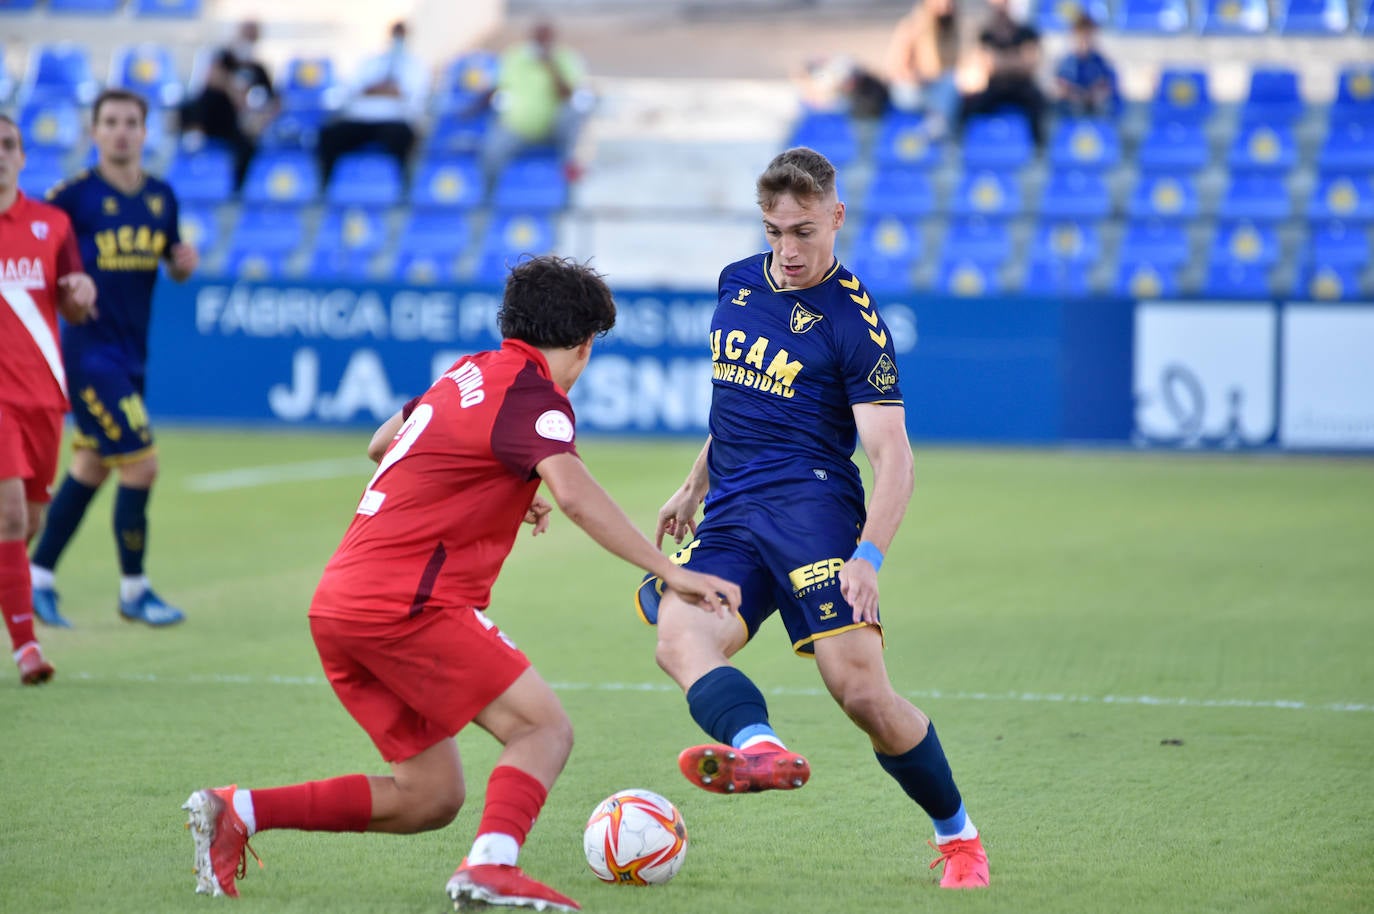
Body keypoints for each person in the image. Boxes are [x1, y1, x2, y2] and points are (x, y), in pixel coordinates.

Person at [181, 255, 742, 911]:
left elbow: (380, 442)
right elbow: (578, 497)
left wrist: (501, 478)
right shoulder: (537, 398)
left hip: (340, 604)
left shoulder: (467, 372)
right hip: (407, 604)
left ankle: (237, 811)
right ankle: (492, 865)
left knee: (430, 794)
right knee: (543, 729)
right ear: (585, 346)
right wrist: (670, 569)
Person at [633, 147, 990, 889]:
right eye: (774, 232)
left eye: (803, 231)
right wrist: (693, 483)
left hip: (814, 512)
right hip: (731, 512)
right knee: (680, 637)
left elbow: (895, 457)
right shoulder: (736, 284)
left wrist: (870, 557)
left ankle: (959, 837)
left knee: (859, 691)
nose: (787, 250)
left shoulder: (856, 325)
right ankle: (759, 747)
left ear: (836, 217)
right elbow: (740, 396)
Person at [29, 89, 199, 629]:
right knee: (142, 465)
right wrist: (64, 291)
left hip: (131, 354)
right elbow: (32, 254)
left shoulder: (161, 198)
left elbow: (172, 261)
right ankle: (134, 589)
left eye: (131, 122)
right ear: (94, 131)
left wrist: (182, 264)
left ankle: (37, 578)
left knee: (92, 466)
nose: (121, 131)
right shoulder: (72, 197)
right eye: (110, 122)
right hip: (87, 352)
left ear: (145, 132)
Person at [0, 114, 97, 684]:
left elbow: (73, 302)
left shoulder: (51, 224)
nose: (0, 154)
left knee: (28, 519)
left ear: (23, 157)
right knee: (10, 513)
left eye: (8, 144)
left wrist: (81, 292)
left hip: (43, 395)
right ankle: (26, 650)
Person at [317, 20, 428, 187]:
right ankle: (324, 188)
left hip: (394, 120)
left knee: (403, 139)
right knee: (330, 135)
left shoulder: (415, 65)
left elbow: (413, 96)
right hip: (361, 119)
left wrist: (378, 90)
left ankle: (404, 190)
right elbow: (353, 89)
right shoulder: (370, 62)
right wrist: (385, 90)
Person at [481, 20, 590, 188]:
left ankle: (568, 190)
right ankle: (488, 198)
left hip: (552, 129)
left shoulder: (564, 58)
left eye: (545, 39)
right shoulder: (515, 57)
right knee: (491, 151)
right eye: (537, 39)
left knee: (575, 117)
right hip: (517, 127)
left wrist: (551, 66)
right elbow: (496, 87)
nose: (540, 43)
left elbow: (568, 95)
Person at [957, 0, 1046, 147]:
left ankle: (1039, 149)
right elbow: (986, 63)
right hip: (994, 87)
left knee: (1039, 103)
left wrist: (1000, 60)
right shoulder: (986, 33)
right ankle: (963, 147)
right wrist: (1016, 58)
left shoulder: (1026, 32)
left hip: (1021, 87)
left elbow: (1029, 64)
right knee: (968, 104)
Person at [179, 49, 257, 190]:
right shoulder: (204, 96)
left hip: (228, 135)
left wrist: (228, 87)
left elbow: (243, 115)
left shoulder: (231, 92)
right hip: (209, 134)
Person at [886, 0, 963, 137]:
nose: (947, 4)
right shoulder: (912, 27)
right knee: (948, 86)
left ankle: (938, 130)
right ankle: (934, 131)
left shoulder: (950, 29)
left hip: (937, 91)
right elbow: (897, 68)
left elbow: (952, 68)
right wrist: (921, 78)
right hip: (911, 90)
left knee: (952, 83)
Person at [1054, 13, 1118, 118]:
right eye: (1081, 34)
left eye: (1088, 35)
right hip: (1069, 113)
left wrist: (1095, 94)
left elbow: (1108, 87)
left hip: (1096, 112)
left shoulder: (1101, 64)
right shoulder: (1064, 63)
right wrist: (1073, 95)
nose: (1084, 40)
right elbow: (1059, 88)